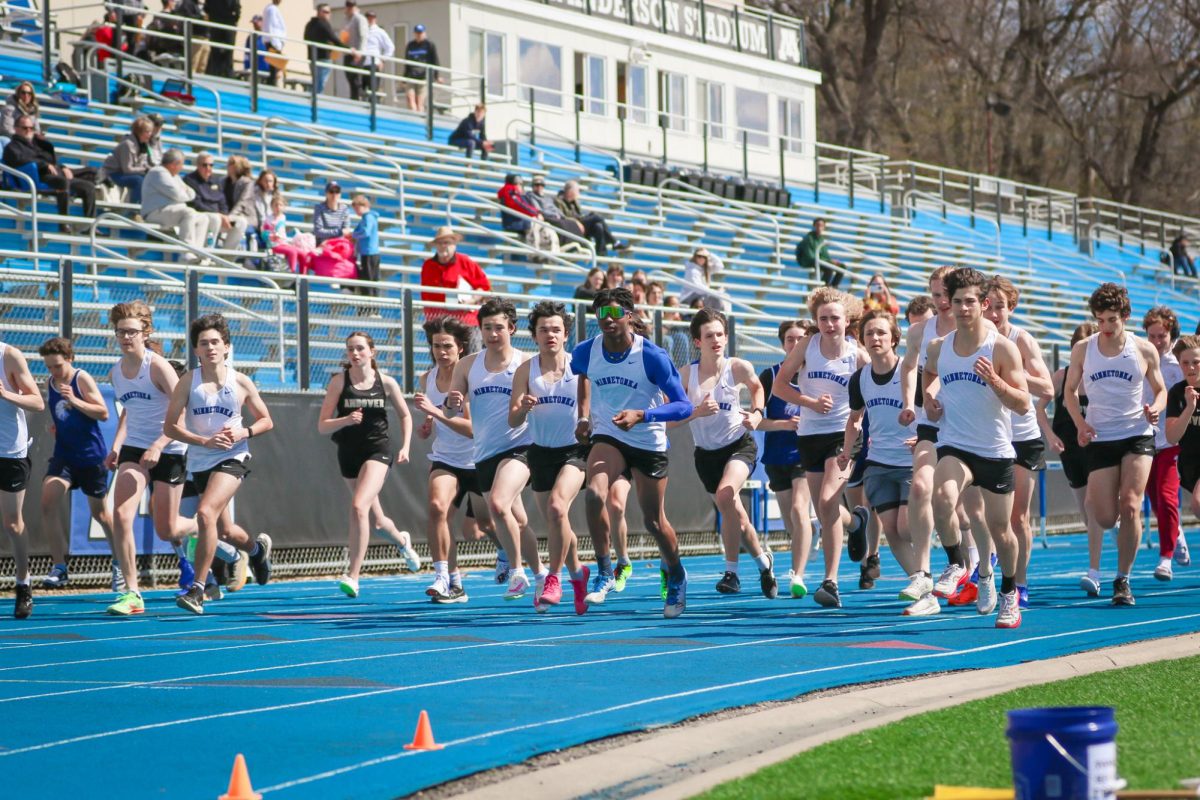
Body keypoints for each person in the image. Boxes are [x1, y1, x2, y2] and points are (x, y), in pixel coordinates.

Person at [572, 287, 694, 617]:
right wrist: (584, 416)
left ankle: (677, 573)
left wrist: (643, 415)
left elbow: (684, 407)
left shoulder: (651, 356)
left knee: (654, 521)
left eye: (614, 314)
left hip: (647, 440)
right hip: (609, 435)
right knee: (594, 494)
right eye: (601, 315)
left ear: (629, 315)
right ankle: (604, 571)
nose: (607, 320)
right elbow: (580, 378)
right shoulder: (585, 351)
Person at [923, 267, 1030, 629]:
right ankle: (957, 563)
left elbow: (1023, 403)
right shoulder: (940, 347)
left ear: (984, 304)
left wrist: (996, 381)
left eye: (970, 301)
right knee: (941, 496)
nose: (963, 308)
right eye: (957, 302)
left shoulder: (1001, 347)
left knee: (1002, 529)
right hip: (956, 444)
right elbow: (929, 373)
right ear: (948, 305)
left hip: (995, 450)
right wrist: (930, 400)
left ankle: (1008, 591)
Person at [1064, 283, 1166, 606]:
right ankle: (1123, 522)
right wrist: (1081, 425)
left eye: (1111, 320)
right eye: (1100, 321)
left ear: (1125, 316)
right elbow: (1068, 393)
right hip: (1101, 436)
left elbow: (1160, 390)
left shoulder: (1143, 349)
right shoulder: (1083, 348)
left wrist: (1156, 409)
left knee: (1131, 503)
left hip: (1136, 433)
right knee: (1106, 516)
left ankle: (1122, 579)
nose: (1105, 328)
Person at [166, 314, 275, 614]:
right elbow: (170, 428)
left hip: (234, 455)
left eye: (216, 342)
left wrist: (245, 431)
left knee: (204, 513)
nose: (210, 347)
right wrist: (203, 442)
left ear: (227, 347)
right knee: (225, 531)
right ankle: (256, 550)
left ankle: (198, 589)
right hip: (201, 460)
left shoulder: (240, 381)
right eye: (204, 343)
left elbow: (267, 420)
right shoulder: (188, 382)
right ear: (196, 350)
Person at [444, 297, 548, 603]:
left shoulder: (527, 363)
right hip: (485, 452)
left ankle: (517, 572)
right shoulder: (467, 365)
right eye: (486, 327)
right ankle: (543, 574)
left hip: (521, 446)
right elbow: (452, 410)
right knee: (518, 520)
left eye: (498, 327)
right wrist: (451, 405)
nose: (492, 333)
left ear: (512, 328)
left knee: (500, 505)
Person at [771, 287, 869, 608]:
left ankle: (831, 581)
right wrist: (809, 401)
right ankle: (856, 523)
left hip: (843, 436)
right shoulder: (806, 346)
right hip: (810, 435)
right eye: (823, 319)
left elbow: (872, 392)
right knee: (825, 509)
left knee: (827, 501)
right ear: (816, 321)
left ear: (847, 320)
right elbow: (780, 385)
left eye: (835, 319)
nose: (829, 324)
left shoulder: (857, 354)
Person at [104, 302, 198, 615]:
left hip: (169, 447)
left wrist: (160, 443)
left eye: (131, 332)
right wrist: (117, 446)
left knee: (167, 530)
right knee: (120, 514)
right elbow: (129, 411)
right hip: (134, 449)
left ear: (146, 333)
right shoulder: (115, 371)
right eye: (121, 332)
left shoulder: (156, 366)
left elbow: (182, 411)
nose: (126, 337)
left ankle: (204, 529)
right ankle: (132, 592)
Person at [676, 308, 776, 597]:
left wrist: (757, 414)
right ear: (697, 341)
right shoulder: (686, 375)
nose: (716, 340)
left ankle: (731, 573)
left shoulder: (737, 367)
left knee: (725, 495)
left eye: (720, 334)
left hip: (739, 445)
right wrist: (695, 412)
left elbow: (758, 389)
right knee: (739, 518)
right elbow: (671, 418)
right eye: (709, 336)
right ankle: (763, 562)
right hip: (706, 455)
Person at [508, 302, 592, 613]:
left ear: (566, 334)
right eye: (543, 329)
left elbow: (591, 408)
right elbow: (513, 421)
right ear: (535, 336)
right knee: (558, 520)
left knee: (558, 506)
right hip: (540, 452)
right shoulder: (525, 370)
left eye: (556, 329)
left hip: (575, 450)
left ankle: (552, 578)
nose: (550, 334)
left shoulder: (579, 367)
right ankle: (577, 573)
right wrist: (523, 408)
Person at [317, 331, 412, 598]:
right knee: (378, 522)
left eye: (360, 349)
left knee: (359, 506)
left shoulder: (386, 382)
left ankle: (354, 575)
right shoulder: (339, 382)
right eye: (350, 350)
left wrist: (405, 446)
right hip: (348, 452)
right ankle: (403, 541)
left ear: (372, 352)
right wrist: (345, 420)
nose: (355, 354)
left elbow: (405, 415)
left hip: (377, 451)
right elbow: (322, 426)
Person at [980, 277, 1052, 609]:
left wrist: (1014, 372)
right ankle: (985, 569)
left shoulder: (1020, 340)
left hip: (1022, 437)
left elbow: (1048, 389)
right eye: (989, 306)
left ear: (1012, 307)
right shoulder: (975, 339)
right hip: (988, 436)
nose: (993, 313)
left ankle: (1020, 582)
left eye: (1000, 306)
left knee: (1017, 518)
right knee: (984, 515)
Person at [413, 316, 494, 605]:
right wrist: (426, 427)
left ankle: (510, 556)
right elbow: (433, 422)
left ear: (460, 348)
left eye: (447, 346)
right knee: (438, 510)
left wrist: (435, 414)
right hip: (446, 458)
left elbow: (472, 430)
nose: (441, 351)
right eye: (436, 346)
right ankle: (445, 577)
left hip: (477, 459)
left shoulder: (468, 380)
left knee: (485, 525)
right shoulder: (427, 378)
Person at [840, 310, 918, 602]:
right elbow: (854, 419)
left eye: (881, 333)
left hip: (912, 462)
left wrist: (923, 438)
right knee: (891, 530)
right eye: (869, 333)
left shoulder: (910, 372)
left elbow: (936, 411)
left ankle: (952, 551)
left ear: (895, 339)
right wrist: (847, 452)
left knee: (906, 528)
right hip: (879, 462)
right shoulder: (860, 379)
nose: (875, 338)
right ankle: (919, 581)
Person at [896, 266, 957, 615]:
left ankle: (985, 573)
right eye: (935, 295)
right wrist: (910, 402)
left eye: (946, 294)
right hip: (931, 422)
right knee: (920, 488)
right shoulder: (921, 332)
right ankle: (924, 580)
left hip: (970, 426)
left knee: (975, 513)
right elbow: (909, 367)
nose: (942, 302)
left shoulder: (976, 330)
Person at [37, 338, 116, 592]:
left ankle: (119, 562)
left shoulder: (81, 379)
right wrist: (57, 428)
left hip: (90, 457)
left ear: (69, 359)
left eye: (57, 366)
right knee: (48, 499)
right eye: (49, 367)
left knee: (101, 515)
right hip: (65, 456)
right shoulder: (50, 383)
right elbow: (61, 413)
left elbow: (102, 412)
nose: (53, 372)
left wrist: (76, 400)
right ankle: (59, 567)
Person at [1038, 322, 1108, 596]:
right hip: (1070, 451)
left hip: (1098, 449)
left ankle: (1095, 572)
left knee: (1092, 506)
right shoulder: (1062, 376)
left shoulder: (1102, 377)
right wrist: (1050, 436)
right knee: (1086, 514)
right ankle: (1107, 524)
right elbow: (1039, 408)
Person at [758, 321, 816, 598]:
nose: (795, 344)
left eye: (800, 339)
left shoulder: (815, 374)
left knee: (798, 509)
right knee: (791, 520)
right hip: (776, 455)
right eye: (790, 339)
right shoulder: (769, 376)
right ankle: (812, 537)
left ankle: (798, 574)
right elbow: (756, 421)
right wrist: (783, 424)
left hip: (805, 453)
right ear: (782, 344)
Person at [1141, 306, 1187, 580]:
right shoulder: (1140, 358)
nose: (1157, 342)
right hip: (1144, 438)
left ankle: (1165, 558)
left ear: (1171, 334)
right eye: (1153, 336)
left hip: (1172, 440)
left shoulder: (1179, 364)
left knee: (1168, 497)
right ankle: (1177, 532)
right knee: (1155, 500)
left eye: (1162, 336)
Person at [1, 338, 44, 619]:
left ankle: (23, 582)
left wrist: (6, 395)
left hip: (8, 450)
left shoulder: (9, 356)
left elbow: (37, 402)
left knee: (13, 523)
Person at [2, 115, 96, 221]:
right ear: (16, 128)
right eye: (25, 128)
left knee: (89, 183)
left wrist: (63, 167)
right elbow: (19, 160)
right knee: (62, 182)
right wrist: (44, 164)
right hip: (39, 176)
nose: (28, 130)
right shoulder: (12, 146)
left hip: (55, 174)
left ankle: (90, 224)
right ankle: (63, 222)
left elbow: (51, 161)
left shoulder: (37, 144)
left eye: (31, 128)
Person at [419, 226, 492, 334]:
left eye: (447, 242)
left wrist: (470, 301)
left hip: (466, 321)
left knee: (472, 351)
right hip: (438, 322)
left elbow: (484, 287)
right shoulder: (428, 266)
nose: (443, 246)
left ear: (454, 245)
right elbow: (426, 295)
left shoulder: (465, 262)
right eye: (440, 243)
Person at [1165, 335, 1200, 552]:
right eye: (1185, 363)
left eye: (1196, 362)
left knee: (1198, 503)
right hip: (1190, 465)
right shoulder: (1178, 393)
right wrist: (1189, 407)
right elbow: (1171, 437)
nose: (1191, 367)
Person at [142, 149, 209, 259]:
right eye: (181, 164)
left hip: (169, 211)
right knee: (189, 212)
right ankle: (187, 253)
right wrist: (184, 194)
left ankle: (197, 252)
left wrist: (184, 194)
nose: (182, 167)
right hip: (155, 213)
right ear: (174, 164)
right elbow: (178, 195)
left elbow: (192, 193)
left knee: (203, 218)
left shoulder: (174, 176)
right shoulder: (158, 172)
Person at [184, 151, 246, 251]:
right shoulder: (190, 180)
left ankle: (226, 257)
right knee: (215, 218)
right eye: (205, 165)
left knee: (241, 222)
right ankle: (206, 256)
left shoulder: (216, 180)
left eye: (211, 165)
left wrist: (224, 215)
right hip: (202, 216)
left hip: (220, 217)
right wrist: (219, 215)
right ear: (198, 165)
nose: (208, 168)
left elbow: (223, 201)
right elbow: (196, 204)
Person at [556, 180, 627, 255]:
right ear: (571, 191)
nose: (578, 193)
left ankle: (601, 254)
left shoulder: (574, 202)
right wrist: (577, 220)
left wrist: (584, 216)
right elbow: (562, 218)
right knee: (597, 217)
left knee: (598, 226)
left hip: (580, 224)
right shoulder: (558, 201)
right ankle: (614, 242)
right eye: (577, 191)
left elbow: (578, 214)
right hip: (573, 225)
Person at [98, 116, 155, 207]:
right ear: (139, 132)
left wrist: (152, 170)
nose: (150, 134)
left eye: (151, 131)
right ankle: (134, 209)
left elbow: (143, 164)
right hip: (114, 174)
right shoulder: (127, 144)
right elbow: (127, 169)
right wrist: (144, 170)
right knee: (138, 180)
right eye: (147, 131)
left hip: (128, 173)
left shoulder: (144, 145)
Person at [795, 218, 847, 288]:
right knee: (829, 267)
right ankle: (824, 288)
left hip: (820, 260)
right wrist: (828, 261)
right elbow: (810, 256)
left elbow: (825, 255)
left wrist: (831, 261)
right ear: (814, 226)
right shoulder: (809, 238)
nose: (819, 227)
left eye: (822, 225)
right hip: (809, 261)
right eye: (818, 225)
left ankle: (833, 287)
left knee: (842, 267)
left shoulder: (821, 239)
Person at [304, 4, 342, 95]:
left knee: (316, 82)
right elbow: (334, 38)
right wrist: (348, 49)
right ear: (318, 12)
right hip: (323, 58)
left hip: (312, 57)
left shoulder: (310, 24)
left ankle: (314, 101)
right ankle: (317, 103)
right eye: (325, 12)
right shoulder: (323, 24)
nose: (327, 14)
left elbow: (306, 38)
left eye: (328, 12)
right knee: (320, 83)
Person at [403, 23, 439, 111]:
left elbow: (435, 60)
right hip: (411, 75)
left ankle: (420, 121)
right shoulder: (410, 45)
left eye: (421, 33)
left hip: (423, 77)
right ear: (414, 34)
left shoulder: (429, 45)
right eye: (417, 33)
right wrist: (404, 78)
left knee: (420, 103)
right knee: (411, 100)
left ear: (424, 33)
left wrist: (436, 76)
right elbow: (407, 61)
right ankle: (413, 119)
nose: (419, 35)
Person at [350, 194, 381, 297]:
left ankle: (371, 307)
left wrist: (353, 235)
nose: (356, 211)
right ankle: (372, 307)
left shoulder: (368, 217)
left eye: (357, 208)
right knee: (371, 280)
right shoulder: (368, 217)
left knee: (369, 281)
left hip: (369, 253)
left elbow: (365, 232)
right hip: (369, 253)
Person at [341, 0, 370, 101]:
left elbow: (363, 36)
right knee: (349, 76)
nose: (350, 8)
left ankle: (357, 99)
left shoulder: (359, 18)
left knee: (355, 78)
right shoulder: (346, 19)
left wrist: (360, 52)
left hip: (357, 53)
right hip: (349, 52)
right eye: (348, 6)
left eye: (352, 6)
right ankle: (354, 98)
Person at [204, 0, 240, 79]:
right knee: (228, 53)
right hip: (228, 25)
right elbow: (237, 9)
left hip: (216, 24)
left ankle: (216, 73)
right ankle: (227, 74)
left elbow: (206, 8)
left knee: (216, 52)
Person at [363, 10, 395, 94]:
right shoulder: (362, 30)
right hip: (361, 63)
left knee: (373, 90)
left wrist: (383, 60)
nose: (370, 20)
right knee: (360, 91)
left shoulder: (379, 31)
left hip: (373, 64)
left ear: (375, 19)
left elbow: (390, 47)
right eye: (368, 17)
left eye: (372, 18)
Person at [313, 180, 350, 245]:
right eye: (331, 192)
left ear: (340, 194)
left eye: (337, 192)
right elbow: (318, 232)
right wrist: (339, 232)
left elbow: (346, 230)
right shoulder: (319, 208)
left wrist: (339, 233)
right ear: (326, 194)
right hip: (323, 244)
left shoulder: (344, 209)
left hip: (339, 244)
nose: (334, 194)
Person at [261, 0, 286, 85]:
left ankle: (273, 83)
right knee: (274, 68)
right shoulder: (272, 9)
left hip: (273, 41)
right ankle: (272, 84)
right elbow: (272, 27)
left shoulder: (271, 9)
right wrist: (277, 44)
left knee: (275, 68)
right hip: (274, 42)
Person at [243, 15, 271, 81]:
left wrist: (278, 70)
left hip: (266, 70)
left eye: (256, 23)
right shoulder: (250, 38)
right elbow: (246, 54)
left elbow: (274, 52)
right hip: (253, 70)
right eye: (253, 23)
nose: (254, 25)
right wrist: (246, 68)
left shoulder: (267, 37)